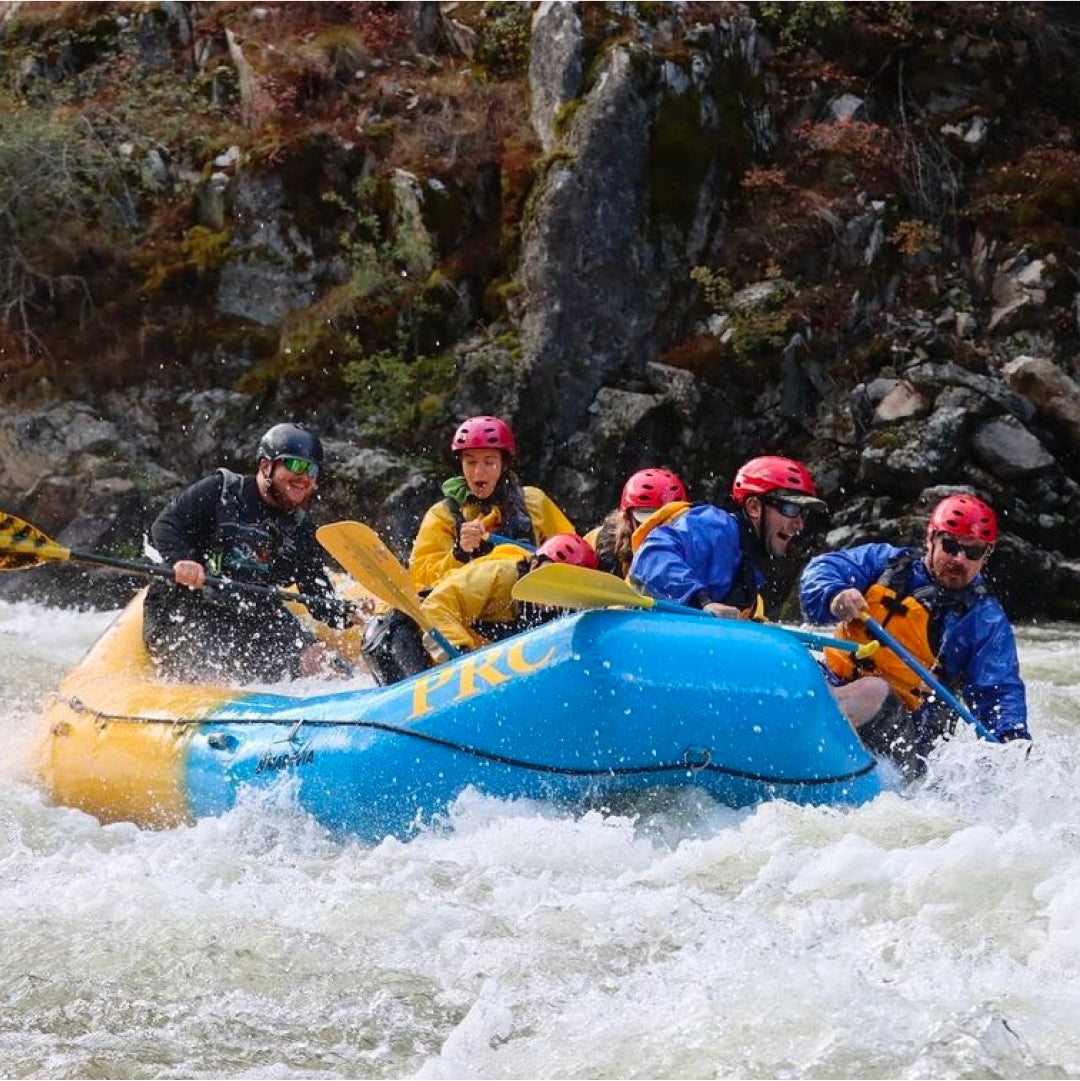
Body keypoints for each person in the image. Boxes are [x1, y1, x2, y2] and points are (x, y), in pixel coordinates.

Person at [627, 455, 895, 755]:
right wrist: (701, 600)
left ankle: (839, 749)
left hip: (693, 675)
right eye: (791, 508)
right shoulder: (716, 526)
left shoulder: (749, 570)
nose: (799, 524)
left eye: (804, 514)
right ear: (754, 507)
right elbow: (652, 554)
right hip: (649, 661)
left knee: (874, 690)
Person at [799, 492, 1029, 774]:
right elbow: (823, 568)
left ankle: (797, 730)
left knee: (873, 689)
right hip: (837, 683)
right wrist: (834, 592)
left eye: (973, 552)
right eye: (951, 546)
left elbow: (999, 690)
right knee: (795, 663)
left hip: (909, 737)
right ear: (930, 538)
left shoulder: (983, 621)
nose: (959, 559)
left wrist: (1011, 739)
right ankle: (795, 726)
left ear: (986, 555)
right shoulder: (885, 564)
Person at [142, 422, 363, 684]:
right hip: (187, 606)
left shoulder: (301, 530)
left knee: (324, 663)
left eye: (312, 470)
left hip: (249, 611)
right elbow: (166, 525)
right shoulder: (220, 491)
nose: (305, 477)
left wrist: (349, 613)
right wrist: (181, 560)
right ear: (266, 466)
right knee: (211, 670)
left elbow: (318, 597)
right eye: (295, 465)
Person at [363, 533, 598, 685]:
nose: (550, 591)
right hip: (398, 633)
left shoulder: (561, 616)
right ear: (534, 564)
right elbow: (437, 607)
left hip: (445, 652)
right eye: (548, 575)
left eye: (561, 585)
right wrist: (463, 657)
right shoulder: (500, 575)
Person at [408, 415, 575, 591]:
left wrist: (546, 562)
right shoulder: (443, 515)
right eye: (470, 462)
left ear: (503, 465)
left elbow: (572, 546)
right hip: (476, 607)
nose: (479, 472)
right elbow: (421, 577)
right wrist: (459, 553)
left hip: (532, 601)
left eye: (489, 462)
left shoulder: (534, 502)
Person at [585, 468, 688, 579]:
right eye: (647, 522)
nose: (655, 530)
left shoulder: (695, 544)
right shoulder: (599, 546)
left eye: (665, 522)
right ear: (627, 519)